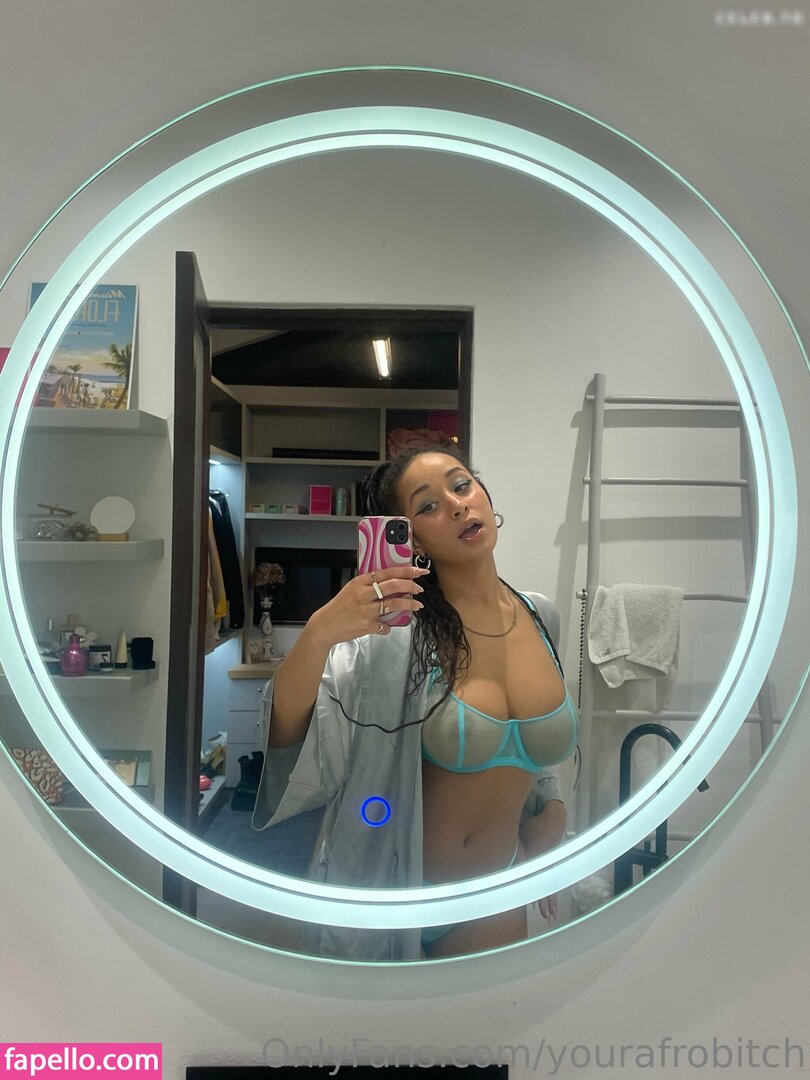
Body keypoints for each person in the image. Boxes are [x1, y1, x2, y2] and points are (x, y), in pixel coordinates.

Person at [252, 446, 579, 961]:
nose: (456, 505)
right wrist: (317, 636)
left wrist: (553, 807)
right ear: (412, 539)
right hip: (397, 888)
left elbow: (529, 741)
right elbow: (289, 736)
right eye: (427, 506)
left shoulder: (542, 616)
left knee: (491, 1015)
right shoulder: (394, 638)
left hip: (500, 887)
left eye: (462, 485)